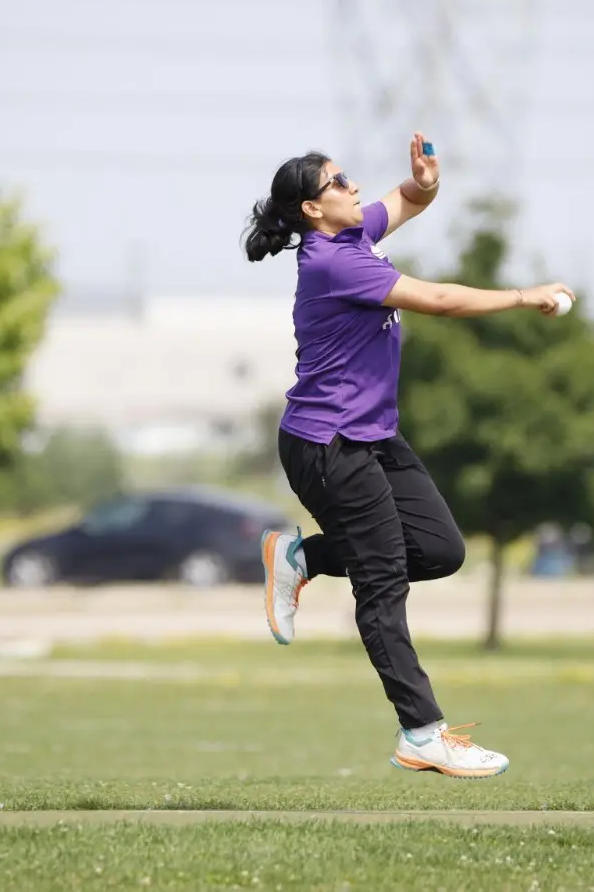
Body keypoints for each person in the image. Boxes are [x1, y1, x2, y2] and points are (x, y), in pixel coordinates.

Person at [243, 134, 574, 779]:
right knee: (383, 578)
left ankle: (301, 556)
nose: (353, 188)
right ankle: (421, 732)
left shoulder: (352, 236)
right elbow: (443, 301)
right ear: (313, 209)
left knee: (439, 550)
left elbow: (406, 200)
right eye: (339, 183)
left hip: (369, 437)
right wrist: (521, 296)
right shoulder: (334, 263)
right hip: (326, 443)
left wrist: (425, 181)